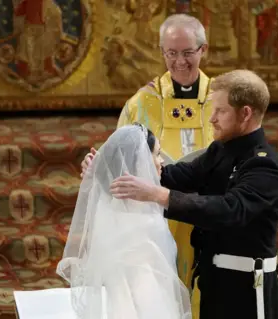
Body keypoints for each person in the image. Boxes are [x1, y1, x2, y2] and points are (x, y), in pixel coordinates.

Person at [110, 70, 278, 319]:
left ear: (245, 113)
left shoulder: (263, 165)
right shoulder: (220, 151)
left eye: (221, 111)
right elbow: (174, 176)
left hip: (246, 290)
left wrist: (159, 196)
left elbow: (230, 210)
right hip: (213, 283)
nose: (212, 119)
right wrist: (108, 169)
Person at [81, 13, 214, 315]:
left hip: (212, 213)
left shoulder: (222, 98)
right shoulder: (141, 103)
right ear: (162, 51)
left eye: (187, 52)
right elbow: (117, 160)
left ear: (203, 50)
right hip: (157, 218)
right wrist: (96, 168)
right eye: (171, 53)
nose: (179, 61)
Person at [58, 123, 192, 319]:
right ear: (140, 161)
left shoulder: (113, 203)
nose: (162, 161)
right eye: (156, 154)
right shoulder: (138, 218)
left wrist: (101, 168)